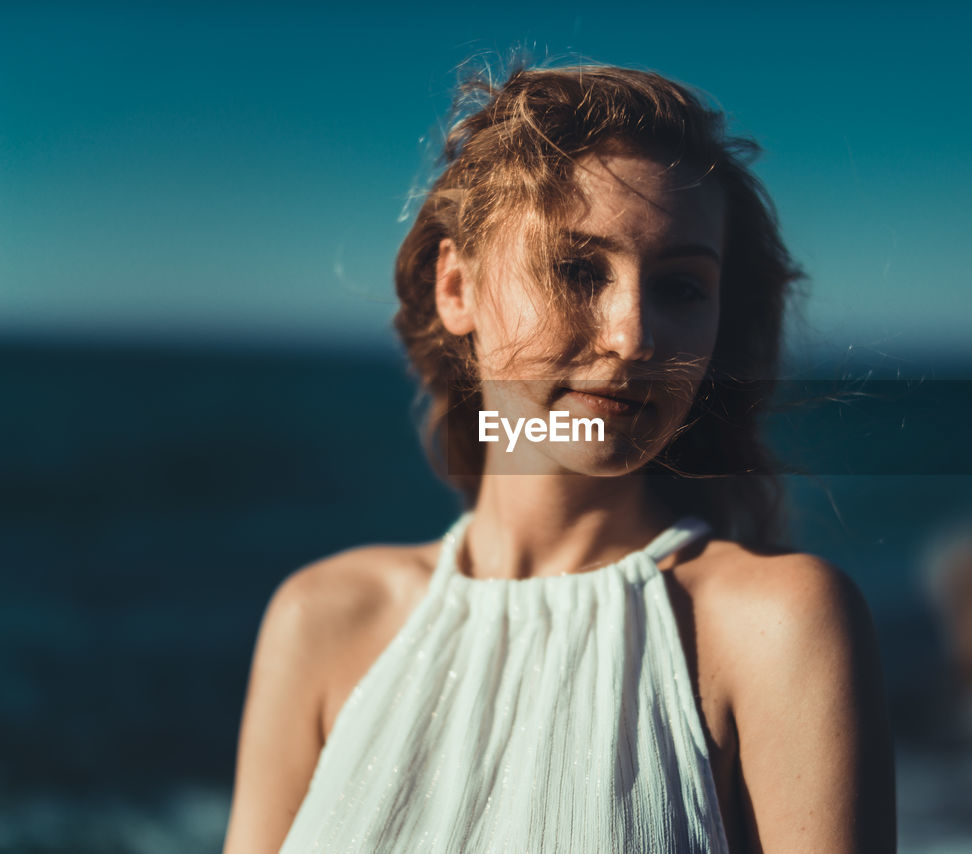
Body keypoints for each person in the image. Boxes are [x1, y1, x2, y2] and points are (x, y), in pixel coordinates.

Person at [222, 62, 895, 853]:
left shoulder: (775, 625)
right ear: (457, 287)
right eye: (576, 269)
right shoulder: (325, 618)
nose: (634, 336)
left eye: (681, 288)